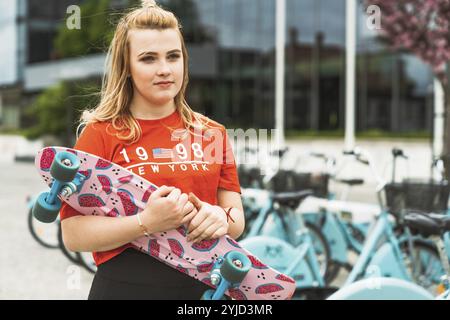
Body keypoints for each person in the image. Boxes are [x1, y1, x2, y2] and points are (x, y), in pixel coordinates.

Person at [60, 0, 244, 300]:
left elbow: (236, 219)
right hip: (124, 290)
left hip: (205, 290)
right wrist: (145, 223)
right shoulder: (101, 134)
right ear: (127, 67)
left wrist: (222, 218)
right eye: (148, 59)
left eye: (173, 56)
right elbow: (73, 234)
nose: (164, 69)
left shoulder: (212, 133)